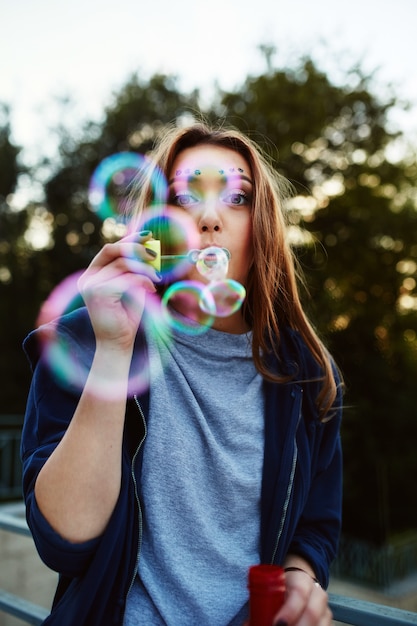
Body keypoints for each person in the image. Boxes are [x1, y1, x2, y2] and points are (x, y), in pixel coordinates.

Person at [21, 121, 343, 626]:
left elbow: (316, 522)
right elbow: (65, 542)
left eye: (237, 197)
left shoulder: (310, 376)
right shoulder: (83, 343)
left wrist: (301, 574)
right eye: (187, 197)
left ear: (263, 226)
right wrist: (113, 350)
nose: (211, 217)